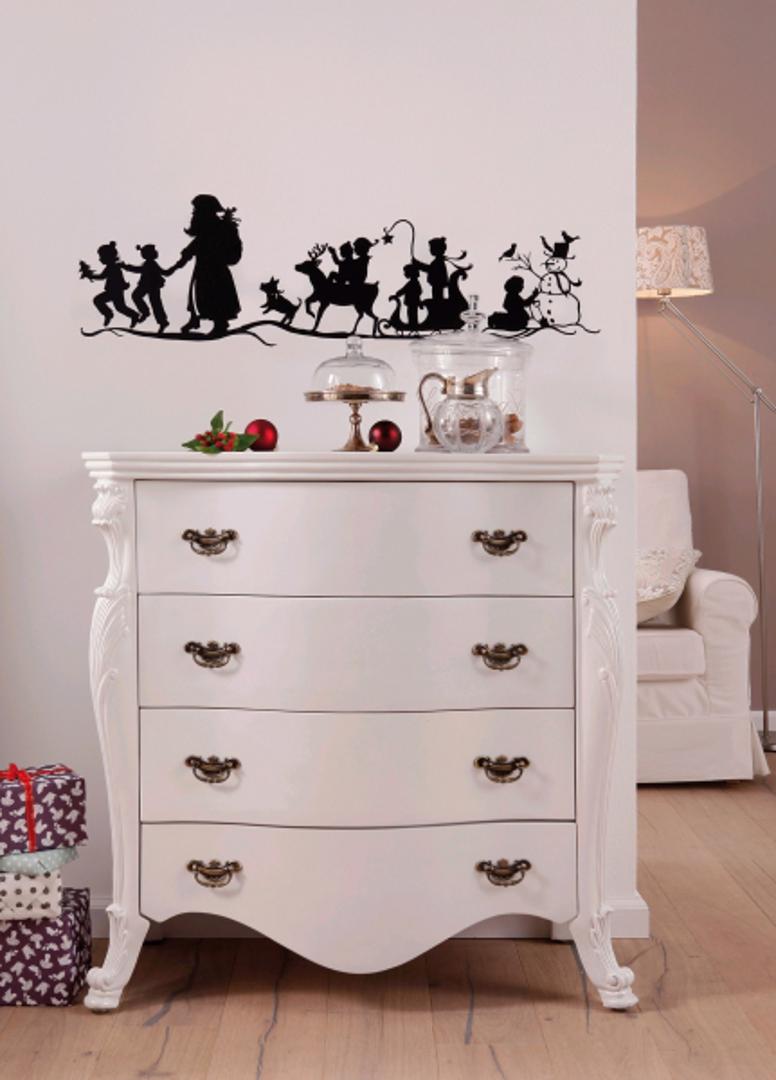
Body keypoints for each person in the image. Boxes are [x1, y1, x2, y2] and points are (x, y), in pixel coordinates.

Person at [168, 194, 242, 337]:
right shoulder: (210, 230)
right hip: (204, 272)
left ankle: (219, 324)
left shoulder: (216, 230)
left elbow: (191, 250)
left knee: (216, 297)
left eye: (196, 210)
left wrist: (175, 267)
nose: (194, 213)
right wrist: (175, 267)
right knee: (205, 297)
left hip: (216, 272)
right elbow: (190, 251)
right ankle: (199, 320)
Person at [79, 241, 139, 328]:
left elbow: (102, 277)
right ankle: (132, 315)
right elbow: (103, 276)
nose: (100, 259)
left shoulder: (112, 267)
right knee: (120, 307)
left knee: (100, 301)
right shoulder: (112, 266)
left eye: (101, 256)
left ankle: (110, 314)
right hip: (115, 290)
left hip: (115, 291)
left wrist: (91, 276)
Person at [122, 243, 171, 333]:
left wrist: (126, 267)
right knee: (144, 299)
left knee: (154, 303)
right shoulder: (149, 263)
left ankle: (160, 321)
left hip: (151, 285)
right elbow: (139, 269)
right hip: (146, 285)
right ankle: (156, 318)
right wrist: (126, 266)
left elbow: (138, 269)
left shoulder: (151, 264)